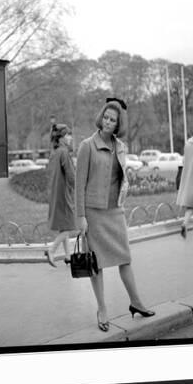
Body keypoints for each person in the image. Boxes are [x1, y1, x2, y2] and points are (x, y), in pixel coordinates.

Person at [76, 98, 155, 333]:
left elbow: (120, 176)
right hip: (93, 213)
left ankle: (136, 302)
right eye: (106, 118)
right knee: (96, 264)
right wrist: (80, 217)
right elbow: (79, 186)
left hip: (115, 211)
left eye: (113, 120)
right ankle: (102, 309)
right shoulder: (86, 146)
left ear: (118, 123)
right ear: (101, 119)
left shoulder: (121, 146)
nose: (108, 122)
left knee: (125, 258)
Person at [45, 124, 76, 267]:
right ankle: (51, 250)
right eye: (68, 135)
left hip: (56, 194)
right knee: (69, 226)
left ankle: (68, 257)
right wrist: (80, 188)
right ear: (62, 138)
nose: (70, 137)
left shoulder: (55, 152)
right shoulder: (64, 152)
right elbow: (71, 176)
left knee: (64, 227)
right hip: (64, 195)